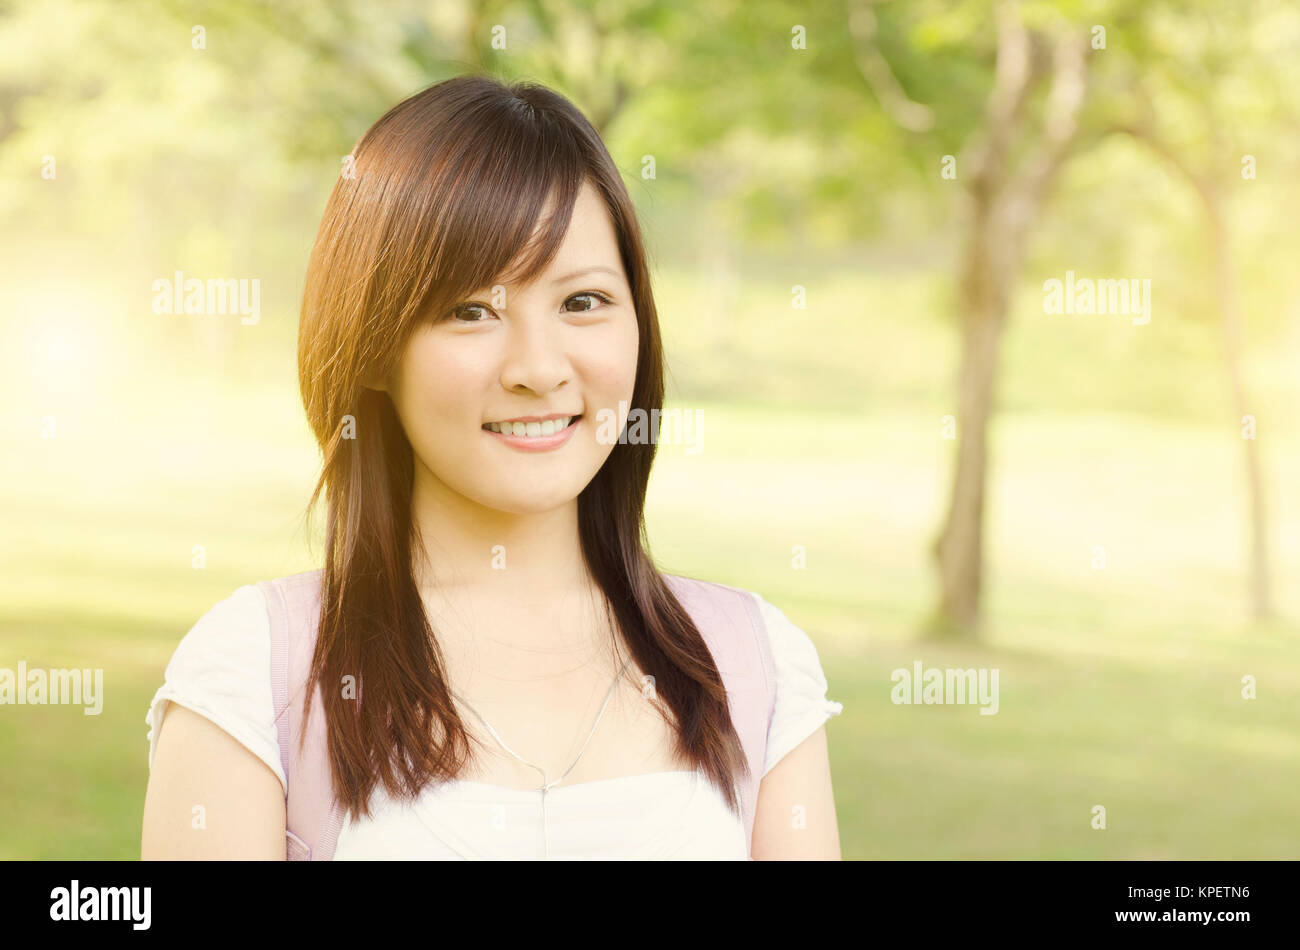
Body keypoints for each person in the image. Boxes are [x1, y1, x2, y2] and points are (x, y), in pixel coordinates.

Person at [141, 73, 842, 860]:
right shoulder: (257, 673)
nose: (538, 369)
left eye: (582, 302)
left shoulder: (755, 665)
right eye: (470, 311)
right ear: (374, 347)